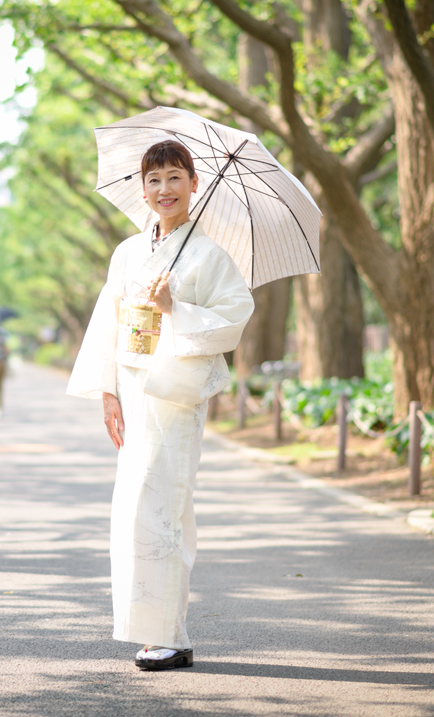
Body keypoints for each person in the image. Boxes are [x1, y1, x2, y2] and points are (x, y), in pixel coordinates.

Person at [67, 140, 254, 671]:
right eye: (154, 180)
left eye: (175, 177)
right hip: (131, 388)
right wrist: (108, 392)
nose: (164, 189)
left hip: (173, 395)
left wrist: (176, 307)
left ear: (195, 183)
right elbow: (107, 322)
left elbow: (235, 316)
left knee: (165, 508)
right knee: (131, 512)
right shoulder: (128, 252)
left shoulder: (210, 255)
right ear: (142, 189)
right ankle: (155, 629)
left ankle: (170, 634)